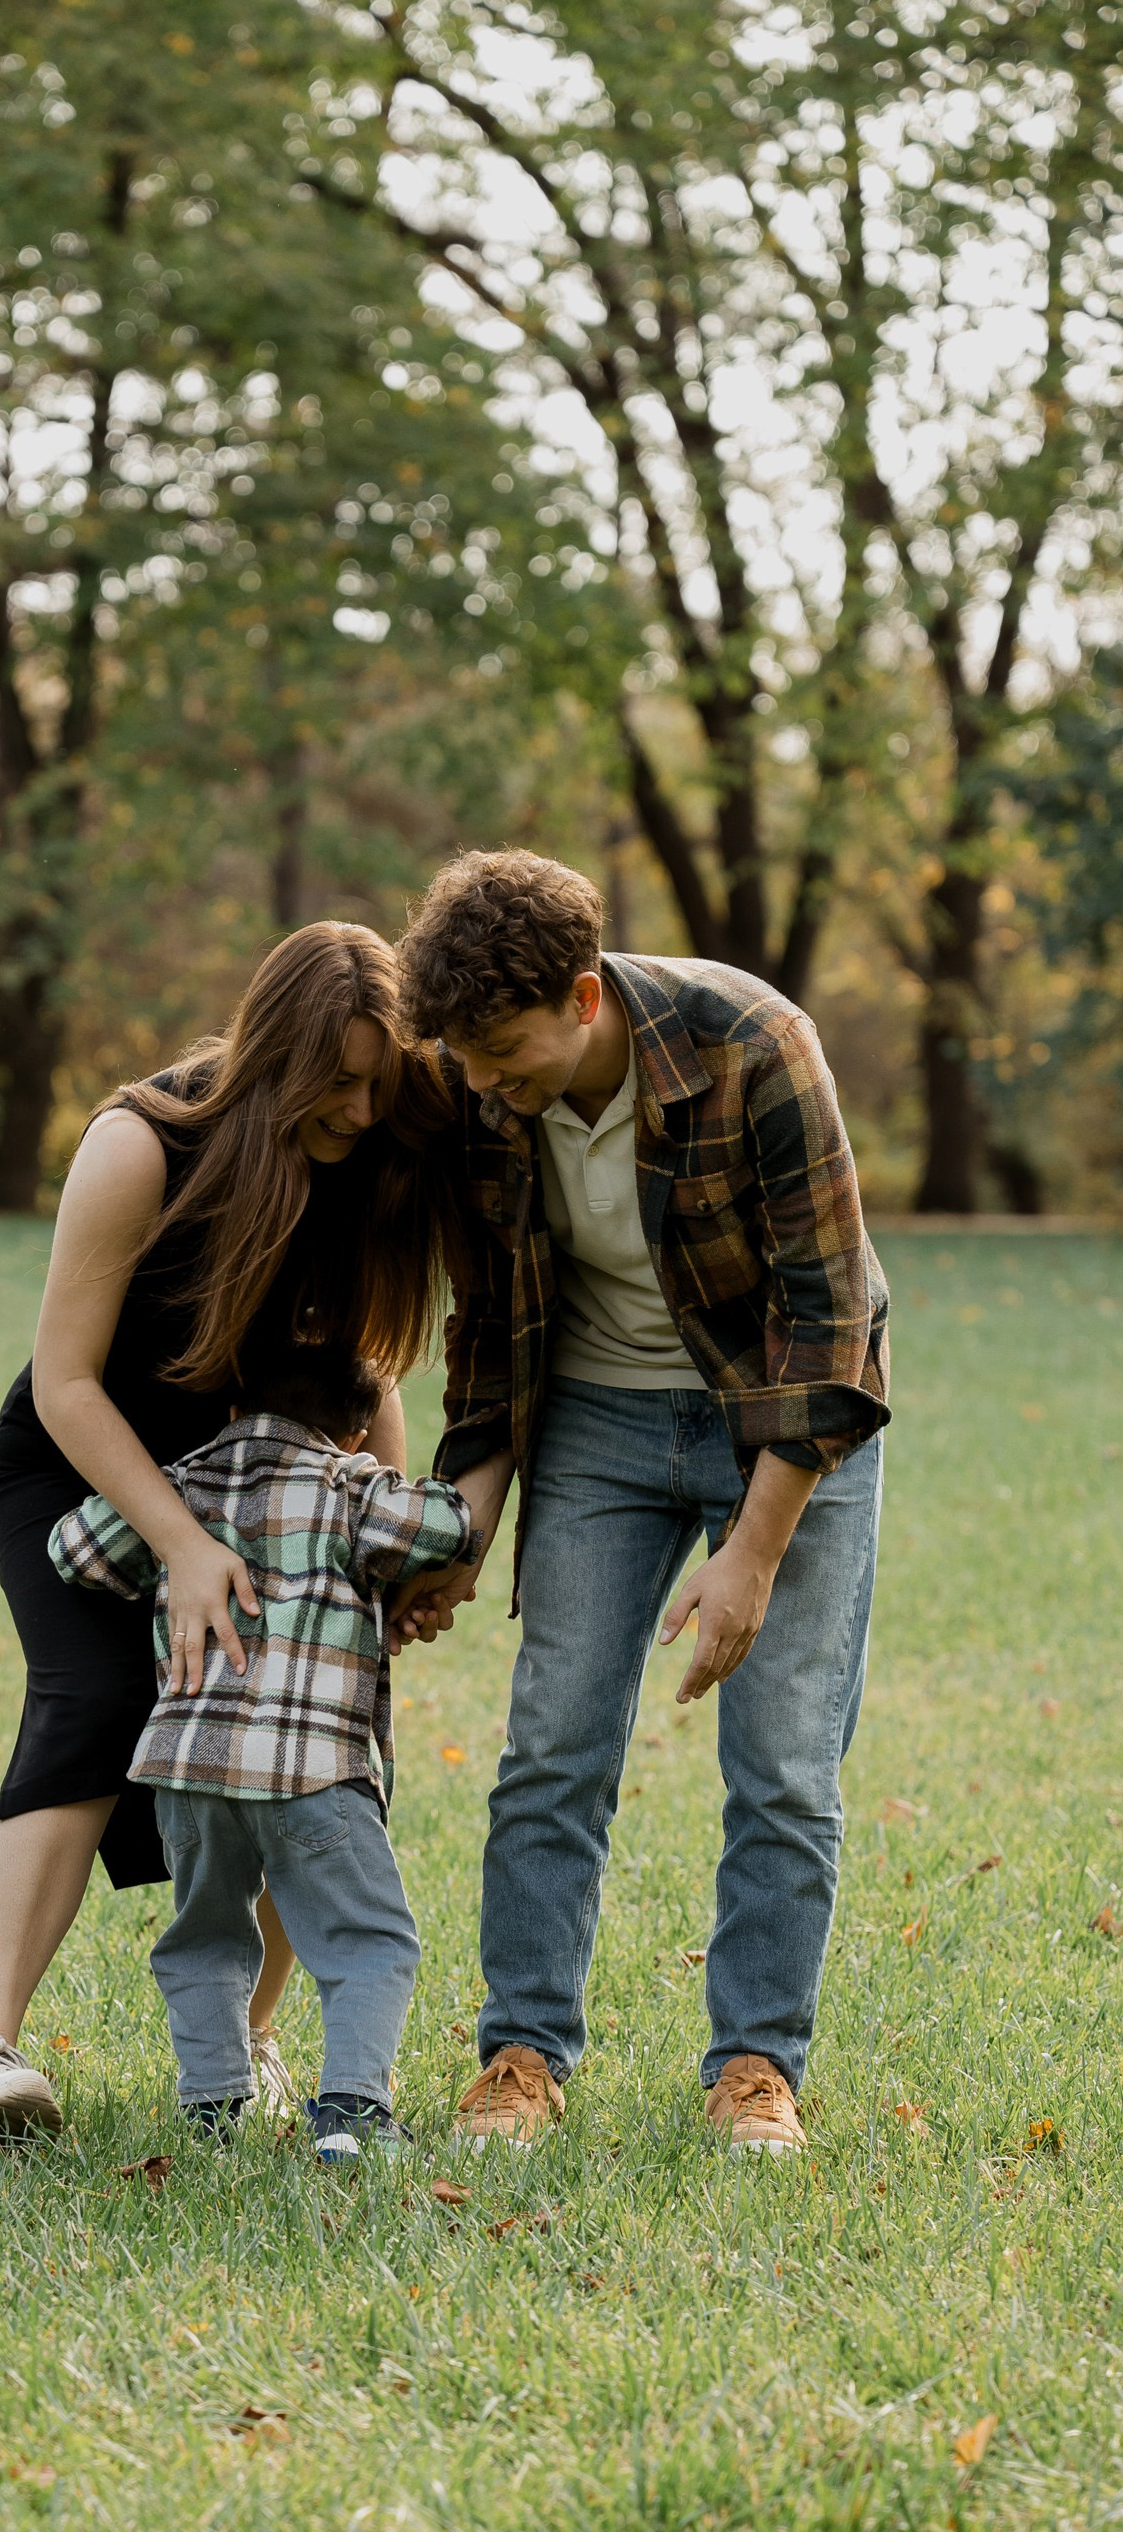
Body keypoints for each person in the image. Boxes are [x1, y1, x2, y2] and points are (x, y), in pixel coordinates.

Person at [0, 922, 461, 2149]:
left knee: (304, 1724)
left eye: (377, 1081)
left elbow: (363, 1365)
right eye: (336, 1079)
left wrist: (383, 1543)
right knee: (91, 1704)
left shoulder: (362, 1152)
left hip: (267, 1476)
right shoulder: (141, 1144)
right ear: (274, 1054)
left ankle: (251, 2037)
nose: (358, 1107)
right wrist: (176, 1544)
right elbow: (65, 1383)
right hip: (84, 1461)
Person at [391, 850, 890, 2157]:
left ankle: (755, 2068)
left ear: (582, 997)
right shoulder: (479, 1086)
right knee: (551, 1746)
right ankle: (520, 2056)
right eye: (465, 1059)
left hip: (782, 1419)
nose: (483, 1083)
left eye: (504, 1052)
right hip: (595, 1423)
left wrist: (751, 1555)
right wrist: (460, 1530)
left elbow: (831, 1325)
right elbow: (489, 1329)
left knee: (782, 1765)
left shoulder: (755, 1047)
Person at [49, 1341, 475, 2161]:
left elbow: (73, 1550)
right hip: (315, 1771)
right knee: (369, 1941)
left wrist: (172, 1518)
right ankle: (352, 2110)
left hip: (189, 1771)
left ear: (235, 1407)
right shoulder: (353, 1487)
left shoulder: (180, 1486)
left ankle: (213, 2108)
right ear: (356, 1432)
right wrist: (381, 1478)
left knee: (205, 1937)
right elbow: (449, 1526)